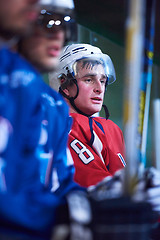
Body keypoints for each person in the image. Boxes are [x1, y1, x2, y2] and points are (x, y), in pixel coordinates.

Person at [0, 1, 80, 239]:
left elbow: (53, 184)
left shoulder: (44, 97)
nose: (60, 34)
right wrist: (61, 216)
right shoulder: (20, 82)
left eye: (65, 24)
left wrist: (103, 198)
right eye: (47, 20)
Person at [56, 43, 126, 188]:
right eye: (89, 80)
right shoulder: (62, 127)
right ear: (65, 84)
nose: (100, 89)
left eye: (102, 81)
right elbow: (97, 188)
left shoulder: (111, 129)